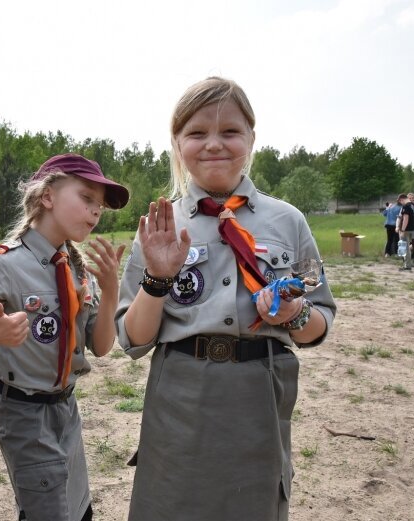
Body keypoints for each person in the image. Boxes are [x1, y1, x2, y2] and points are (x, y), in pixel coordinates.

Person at [115, 76, 336, 521]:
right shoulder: (160, 225)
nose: (214, 144)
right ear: (176, 143)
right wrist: (157, 278)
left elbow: (319, 326)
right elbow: (133, 339)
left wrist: (293, 312)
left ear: (252, 138)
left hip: (259, 392)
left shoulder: (287, 221)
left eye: (230, 131)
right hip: (181, 393)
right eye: (196, 132)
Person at [0, 153, 130, 521]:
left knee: (79, 512)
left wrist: (111, 289)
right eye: (86, 198)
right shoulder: (5, 265)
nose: (96, 212)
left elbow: (100, 347)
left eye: (99, 206)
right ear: (47, 196)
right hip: (25, 413)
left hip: (66, 411)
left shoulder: (80, 270)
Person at [397, 193, 414, 270]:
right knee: (407, 247)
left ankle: (407, 266)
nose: (400, 203)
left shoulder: (406, 206)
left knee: (405, 248)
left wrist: (402, 230)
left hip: (406, 229)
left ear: (402, 199)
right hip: (412, 228)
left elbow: (405, 219)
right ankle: (407, 264)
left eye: (400, 201)